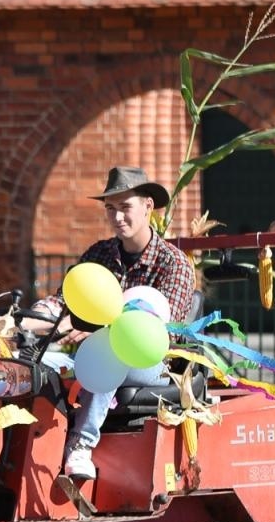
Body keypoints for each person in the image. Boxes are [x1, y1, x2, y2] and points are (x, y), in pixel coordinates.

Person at [28, 166, 197, 481]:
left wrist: (95, 331)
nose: (117, 217)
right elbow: (63, 300)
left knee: (110, 350)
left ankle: (81, 444)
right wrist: (27, 320)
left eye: (125, 207)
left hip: (151, 363)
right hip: (87, 352)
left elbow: (159, 333)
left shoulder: (174, 264)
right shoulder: (99, 254)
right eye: (110, 208)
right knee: (32, 362)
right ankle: (30, 444)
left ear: (148, 206)